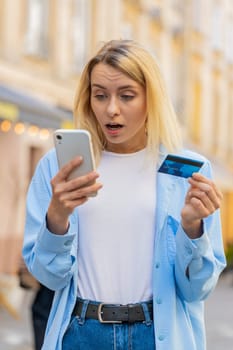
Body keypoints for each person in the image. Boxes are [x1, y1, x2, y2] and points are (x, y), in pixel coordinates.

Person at [22, 39, 226, 350]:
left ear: (151, 99)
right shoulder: (58, 166)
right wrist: (57, 219)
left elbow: (197, 288)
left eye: (127, 95)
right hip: (80, 335)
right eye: (100, 95)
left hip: (156, 337)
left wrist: (192, 230)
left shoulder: (188, 171)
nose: (111, 109)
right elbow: (50, 278)